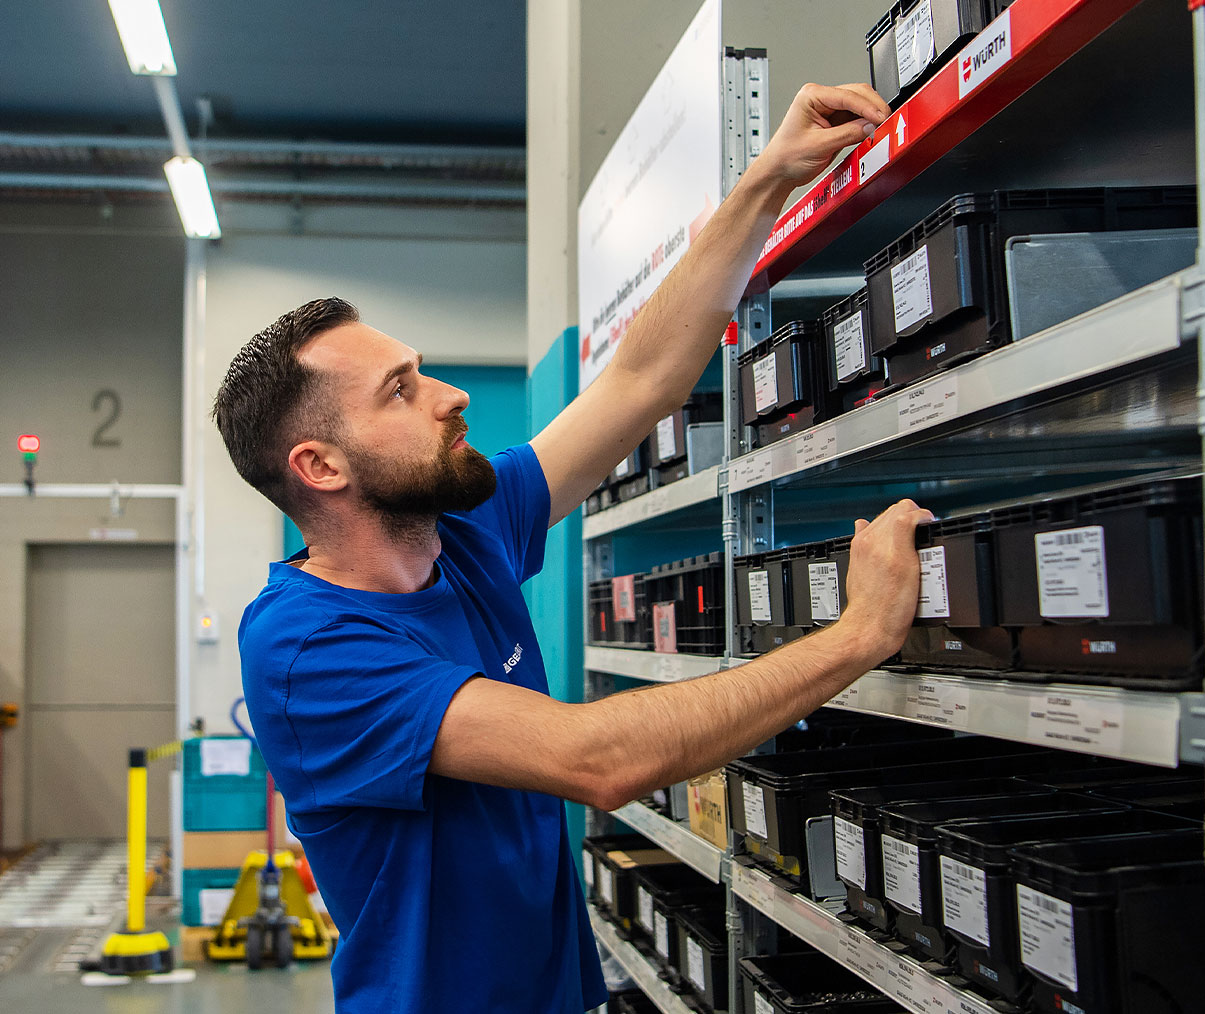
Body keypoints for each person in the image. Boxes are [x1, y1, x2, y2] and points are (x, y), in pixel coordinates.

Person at [214, 82, 932, 1014]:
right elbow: (597, 760)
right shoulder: (307, 646)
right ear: (319, 466)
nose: (449, 397)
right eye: (401, 391)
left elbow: (641, 382)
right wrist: (857, 633)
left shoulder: (463, 534)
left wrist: (765, 180)